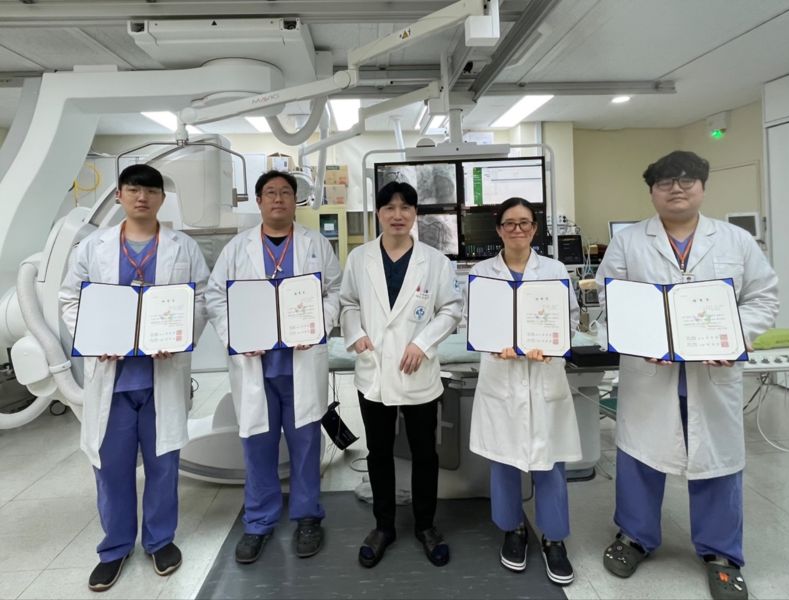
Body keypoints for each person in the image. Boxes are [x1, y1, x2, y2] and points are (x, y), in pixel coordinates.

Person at [595, 151, 779, 600]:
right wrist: (640, 340)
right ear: (652, 192)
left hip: (711, 374)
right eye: (665, 183)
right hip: (649, 373)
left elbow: (763, 298)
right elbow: (609, 299)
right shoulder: (629, 243)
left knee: (716, 461)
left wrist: (733, 338)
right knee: (640, 457)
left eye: (687, 181)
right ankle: (634, 537)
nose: (676, 189)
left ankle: (722, 554)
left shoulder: (735, 241)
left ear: (703, 187)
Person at [59, 164, 209, 592]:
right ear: (120, 195)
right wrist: (93, 338)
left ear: (162, 198)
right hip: (113, 379)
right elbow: (70, 299)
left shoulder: (183, 247)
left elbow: (200, 298)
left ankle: (160, 541)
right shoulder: (93, 248)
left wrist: (180, 336)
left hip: (161, 374)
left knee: (163, 465)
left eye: (150, 190)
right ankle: (115, 547)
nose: (142, 197)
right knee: (111, 468)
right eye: (133, 189)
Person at [205, 170, 341, 564]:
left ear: (295, 200)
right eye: (270, 193)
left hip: (300, 362)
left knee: (305, 445)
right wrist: (236, 335)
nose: (278, 199)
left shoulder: (316, 244)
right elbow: (215, 297)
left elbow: (334, 290)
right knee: (258, 446)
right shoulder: (237, 248)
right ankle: (258, 522)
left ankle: (307, 517)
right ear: (259, 201)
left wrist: (317, 324)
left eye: (285, 192)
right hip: (255, 365)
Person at [339, 181, 463, 568]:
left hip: (417, 372)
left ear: (415, 214)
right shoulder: (360, 258)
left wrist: (422, 343)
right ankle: (384, 526)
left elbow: (451, 308)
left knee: (425, 453)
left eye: (405, 207)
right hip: (374, 371)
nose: (397, 215)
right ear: (378, 213)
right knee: (379, 453)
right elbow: (348, 303)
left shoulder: (434, 261)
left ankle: (426, 526)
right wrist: (355, 334)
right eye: (389, 207)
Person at [467, 197, 581, 585]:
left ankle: (554, 538)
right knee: (504, 460)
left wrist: (551, 344)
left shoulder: (554, 270)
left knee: (550, 462)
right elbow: (472, 319)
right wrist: (491, 343)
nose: (518, 229)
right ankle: (512, 529)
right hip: (502, 376)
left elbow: (569, 319)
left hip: (543, 374)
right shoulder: (482, 272)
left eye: (525, 223)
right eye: (510, 223)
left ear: (535, 228)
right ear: (499, 229)